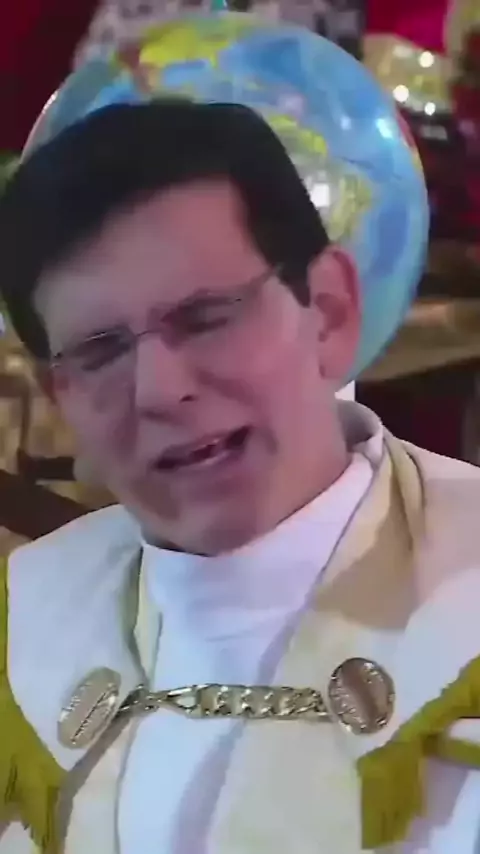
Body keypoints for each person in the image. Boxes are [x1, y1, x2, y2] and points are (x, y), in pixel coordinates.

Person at [0, 98, 480, 854]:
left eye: (205, 317)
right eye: (99, 350)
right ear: (59, 395)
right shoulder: (23, 621)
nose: (159, 390)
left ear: (328, 310)